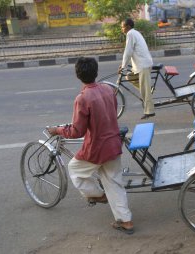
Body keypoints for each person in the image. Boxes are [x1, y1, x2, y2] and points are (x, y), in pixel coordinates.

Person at [47, 57, 134, 234]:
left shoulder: (83, 98)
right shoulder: (109, 89)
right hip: (113, 143)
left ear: (78, 75)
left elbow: (77, 131)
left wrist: (57, 130)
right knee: (114, 182)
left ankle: (96, 195)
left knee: (75, 171)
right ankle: (126, 222)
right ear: (96, 72)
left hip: (97, 148)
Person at [120, 18, 155, 120]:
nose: (122, 29)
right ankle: (148, 88)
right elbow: (131, 52)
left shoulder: (130, 34)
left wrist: (123, 67)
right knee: (129, 76)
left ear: (128, 27)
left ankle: (149, 111)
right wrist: (123, 65)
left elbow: (128, 51)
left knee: (145, 91)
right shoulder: (135, 33)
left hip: (143, 65)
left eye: (122, 27)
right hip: (142, 64)